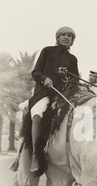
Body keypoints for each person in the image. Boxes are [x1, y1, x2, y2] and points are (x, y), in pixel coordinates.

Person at [28, 26, 79, 172]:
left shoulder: (73, 59)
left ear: (72, 41)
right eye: (63, 35)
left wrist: (74, 86)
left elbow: (75, 80)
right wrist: (45, 78)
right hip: (44, 93)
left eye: (70, 36)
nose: (66, 37)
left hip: (64, 95)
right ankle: (35, 155)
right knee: (37, 116)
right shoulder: (47, 51)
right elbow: (35, 72)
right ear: (57, 38)